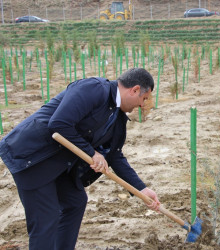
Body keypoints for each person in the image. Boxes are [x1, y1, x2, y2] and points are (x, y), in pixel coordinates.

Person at [0, 68, 161, 250]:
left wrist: (141, 189)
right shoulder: (93, 89)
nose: (142, 105)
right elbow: (59, 123)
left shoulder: (118, 118)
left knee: (75, 202)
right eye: (144, 98)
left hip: (59, 162)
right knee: (46, 217)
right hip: (31, 156)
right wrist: (92, 153)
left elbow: (114, 155)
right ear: (134, 90)